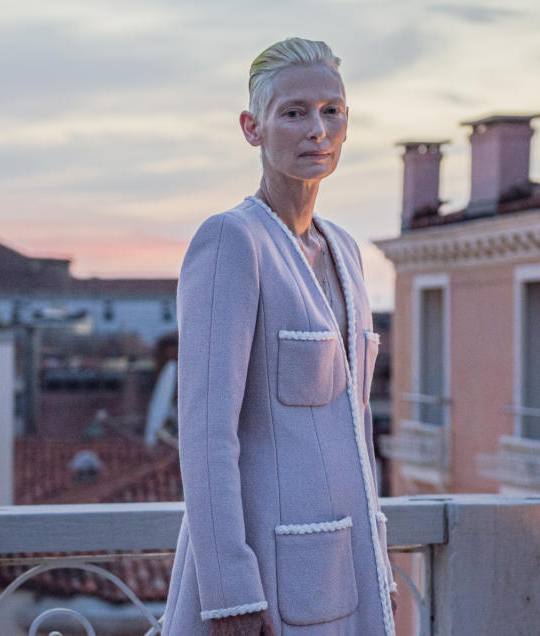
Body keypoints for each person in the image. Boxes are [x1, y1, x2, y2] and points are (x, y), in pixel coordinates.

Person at [159, 37, 397, 636]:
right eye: (293, 112)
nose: (317, 129)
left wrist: (379, 561)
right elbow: (205, 436)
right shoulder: (231, 242)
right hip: (263, 580)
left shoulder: (345, 251)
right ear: (252, 128)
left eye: (331, 111)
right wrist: (230, 594)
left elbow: (357, 428)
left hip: (345, 570)